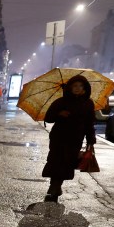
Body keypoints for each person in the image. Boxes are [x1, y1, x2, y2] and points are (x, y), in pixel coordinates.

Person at [41, 74, 96, 202]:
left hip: (75, 139)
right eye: (75, 85)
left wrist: (91, 140)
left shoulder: (88, 104)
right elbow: (48, 118)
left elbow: (90, 123)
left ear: (85, 88)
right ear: (70, 87)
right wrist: (59, 114)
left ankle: (55, 186)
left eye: (81, 86)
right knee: (56, 160)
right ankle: (55, 186)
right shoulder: (61, 102)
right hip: (58, 137)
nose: (77, 88)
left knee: (67, 162)